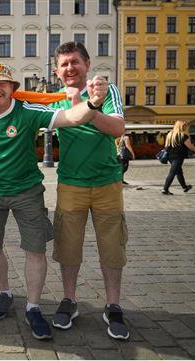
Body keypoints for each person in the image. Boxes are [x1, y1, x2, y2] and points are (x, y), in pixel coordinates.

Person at [0, 62, 107, 339]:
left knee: (35, 249)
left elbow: (71, 118)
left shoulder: (28, 113)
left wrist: (93, 102)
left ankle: (32, 306)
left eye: (2, 84)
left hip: (26, 191)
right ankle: (5, 293)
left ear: (12, 89)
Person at [47, 41, 129, 340]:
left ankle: (113, 305)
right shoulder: (53, 98)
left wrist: (92, 104)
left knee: (112, 246)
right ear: (57, 71)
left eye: (75, 62)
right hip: (71, 184)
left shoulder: (107, 89)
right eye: (64, 64)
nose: (70, 68)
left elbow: (118, 129)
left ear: (87, 64)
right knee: (68, 247)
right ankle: (69, 300)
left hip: (107, 182)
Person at [162, 120, 195, 195]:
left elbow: (166, 146)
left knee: (179, 172)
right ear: (180, 126)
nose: (185, 127)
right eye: (184, 126)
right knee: (172, 173)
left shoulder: (170, 134)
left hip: (170, 156)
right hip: (178, 157)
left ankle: (185, 187)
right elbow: (190, 147)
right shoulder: (183, 136)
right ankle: (165, 189)